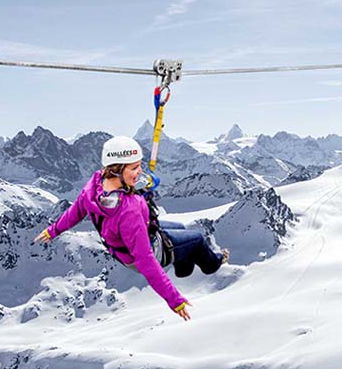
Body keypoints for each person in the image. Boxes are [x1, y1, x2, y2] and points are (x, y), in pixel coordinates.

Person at [33, 136, 229, 321]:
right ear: (117, 169)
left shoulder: (94, 186)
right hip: (145, 253)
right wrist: (174, 300)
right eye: (135, 168)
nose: (140, 172)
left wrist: (53, 230)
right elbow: (146, 260)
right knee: (196, 239)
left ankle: (183, 269)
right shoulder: (129, 211)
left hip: (123, 245)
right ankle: (213, 263)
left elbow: (76, 211)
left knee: (178, 227)